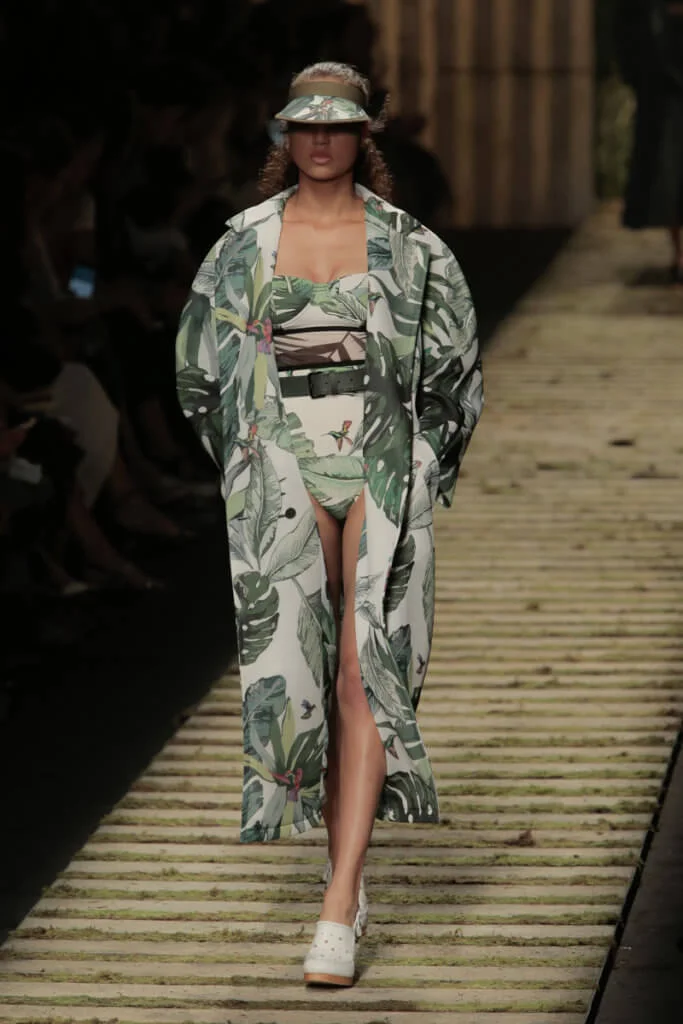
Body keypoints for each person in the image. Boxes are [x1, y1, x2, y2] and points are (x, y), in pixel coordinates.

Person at [176, 61, 483, 987]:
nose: (318, 139)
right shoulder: (242, 243)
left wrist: (420, 462)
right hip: (280, 461)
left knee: (363, 672)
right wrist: (245, 461)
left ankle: (339, 902)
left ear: (362, 134)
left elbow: (455, 369)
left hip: (380, 460)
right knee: (300, 676)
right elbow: (199, 371)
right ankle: (337, 874)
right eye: (303, 124)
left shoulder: (412, 245)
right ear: (284, 133)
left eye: (336, 123)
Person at [616, 0, 683, 281]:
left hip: (665, 98)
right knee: (669, 182)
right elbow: (629, 42)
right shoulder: (645, 8)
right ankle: (679, 254)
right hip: (664, 103)